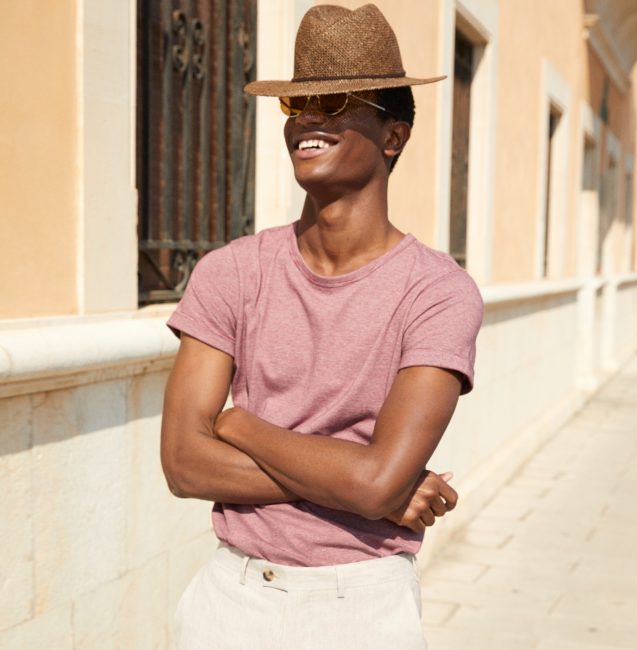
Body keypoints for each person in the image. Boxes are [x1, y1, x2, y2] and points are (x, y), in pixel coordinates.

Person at [161, 3, 483, 649]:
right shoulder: (231, 272)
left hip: (361, 605)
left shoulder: (438, 292)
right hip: (230, 598)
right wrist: (368, 488)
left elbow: (377, 480)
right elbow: (183, 465)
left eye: (336, 102)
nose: (308, 118)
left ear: (393, 136)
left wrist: (239, 425)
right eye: (298, 104)